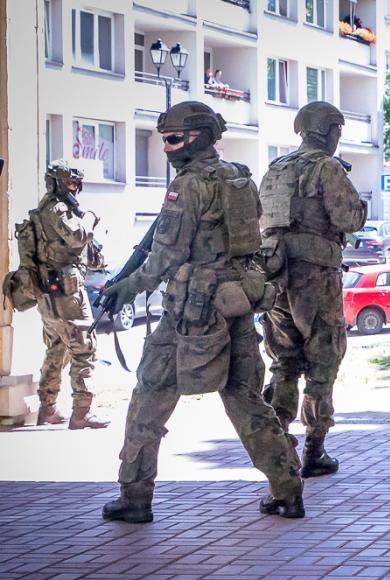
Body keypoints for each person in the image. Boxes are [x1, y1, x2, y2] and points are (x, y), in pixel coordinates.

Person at [98, 101, 304, 524]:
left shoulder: (189, 186)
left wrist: (127, 288)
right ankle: (288, 491)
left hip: (189, 314)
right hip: (236, 304)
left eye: (174, 139)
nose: (167, 148)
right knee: (247, 402)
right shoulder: (237, 178)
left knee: (149, 399)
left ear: (199, 137)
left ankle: (135, 497)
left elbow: (165, 257)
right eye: (164, 139)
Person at [258, 101, 366, 477]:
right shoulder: (327, 167)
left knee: (283, 362)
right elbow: (349, 218)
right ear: (328, 131)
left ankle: (278, 449)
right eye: (338, 130)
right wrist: (359, 204)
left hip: (276, 277)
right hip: (315, 278)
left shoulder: (276, 169)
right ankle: (314, 450)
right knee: (323, 360)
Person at [16, 160, 109, 429]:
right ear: (56, 183)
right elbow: (78, 236)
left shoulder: (45, 208)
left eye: (76, 182)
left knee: (57, 348)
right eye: (69, 182)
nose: (74, 187)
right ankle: (82, 412)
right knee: (84, 348)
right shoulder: (57, 209)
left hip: (49, 293)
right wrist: (90, 217)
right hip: (66, 293)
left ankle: (48, 409)